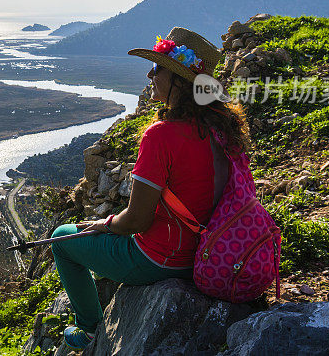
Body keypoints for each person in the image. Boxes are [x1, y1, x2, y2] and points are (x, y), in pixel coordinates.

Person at [51, 27, 252, 350]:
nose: (150, 74)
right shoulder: (219, 128)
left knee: (62, 238)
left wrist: (105, 224)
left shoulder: (160, 136)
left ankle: (88, 329)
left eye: (158, 68)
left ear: (178, 81)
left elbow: (138, 222)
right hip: (210, 251)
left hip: (164, 259)